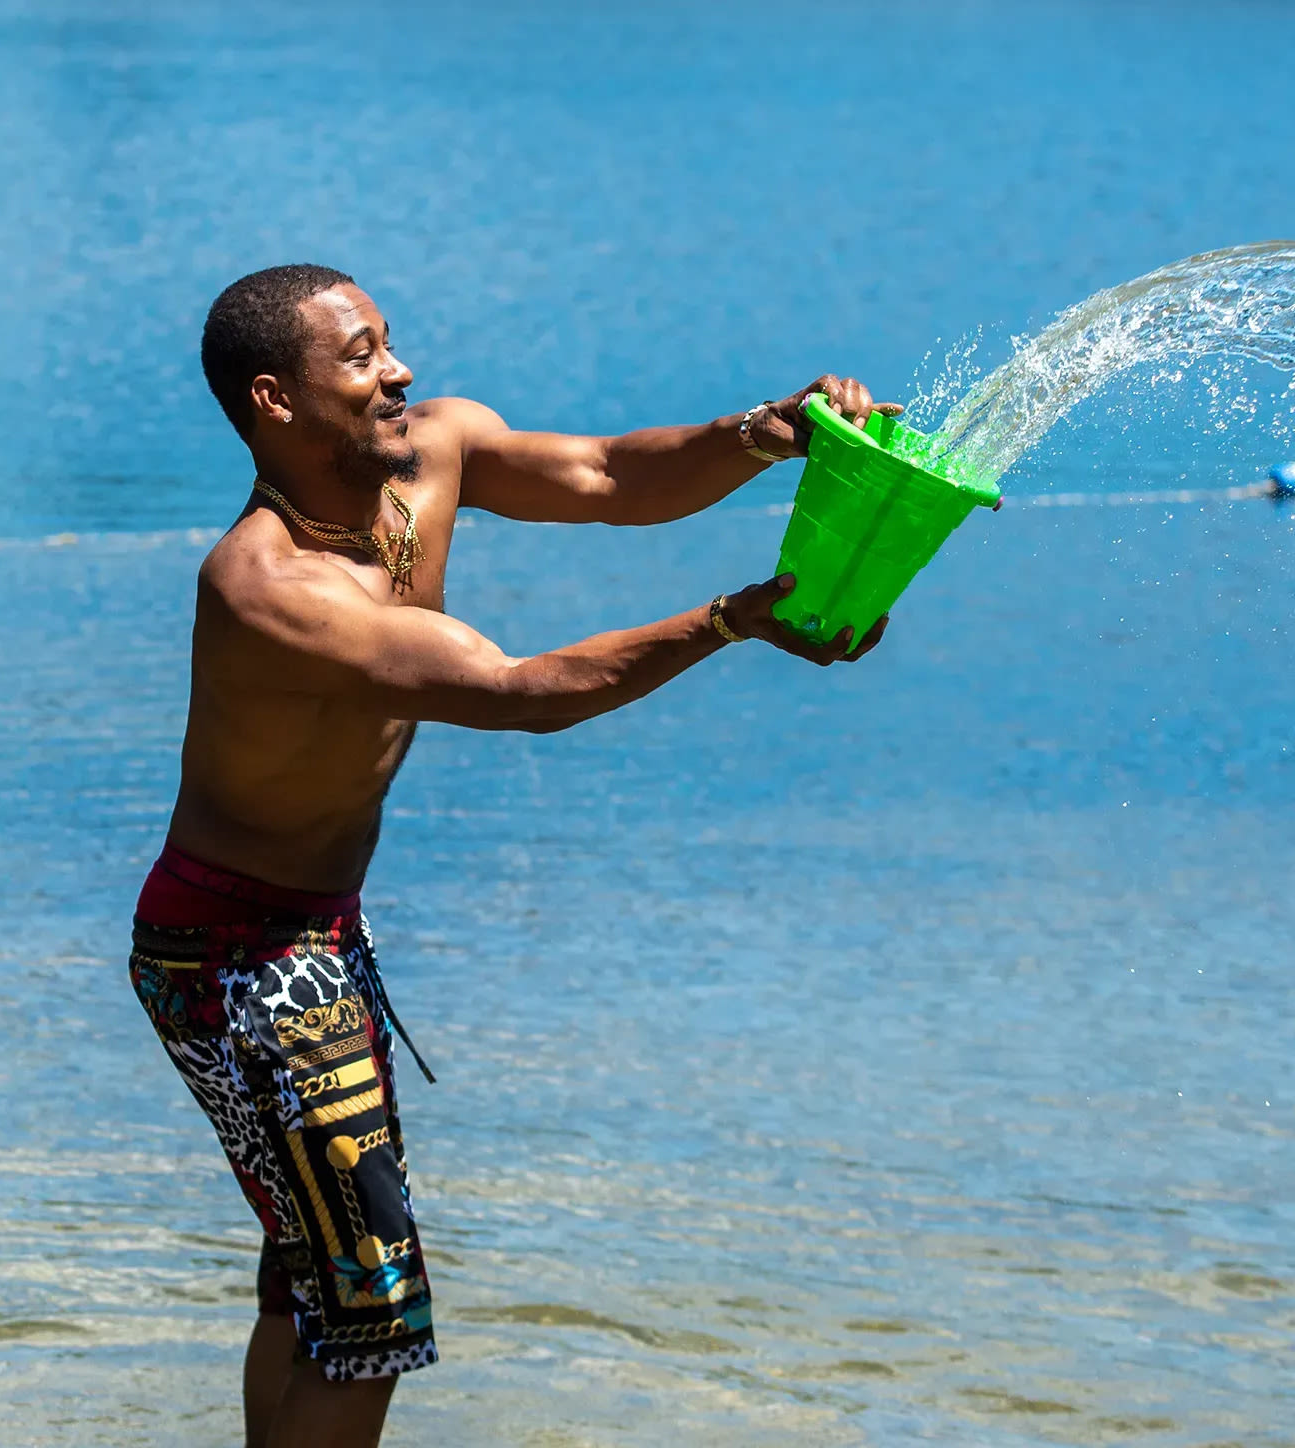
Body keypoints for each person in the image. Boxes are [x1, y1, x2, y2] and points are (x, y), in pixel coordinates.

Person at [127, 263, 895, 1448]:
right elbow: (516, 690)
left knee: (312, 1269)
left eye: (389, 343)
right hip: (234, 954)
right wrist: (732, 620)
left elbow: (607, 476)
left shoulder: (434, 452)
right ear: (275, 400)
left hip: (315, 926)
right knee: (371, 1304)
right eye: (364, 355)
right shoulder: (265, 588)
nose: (401, 371)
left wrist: (764, 434)